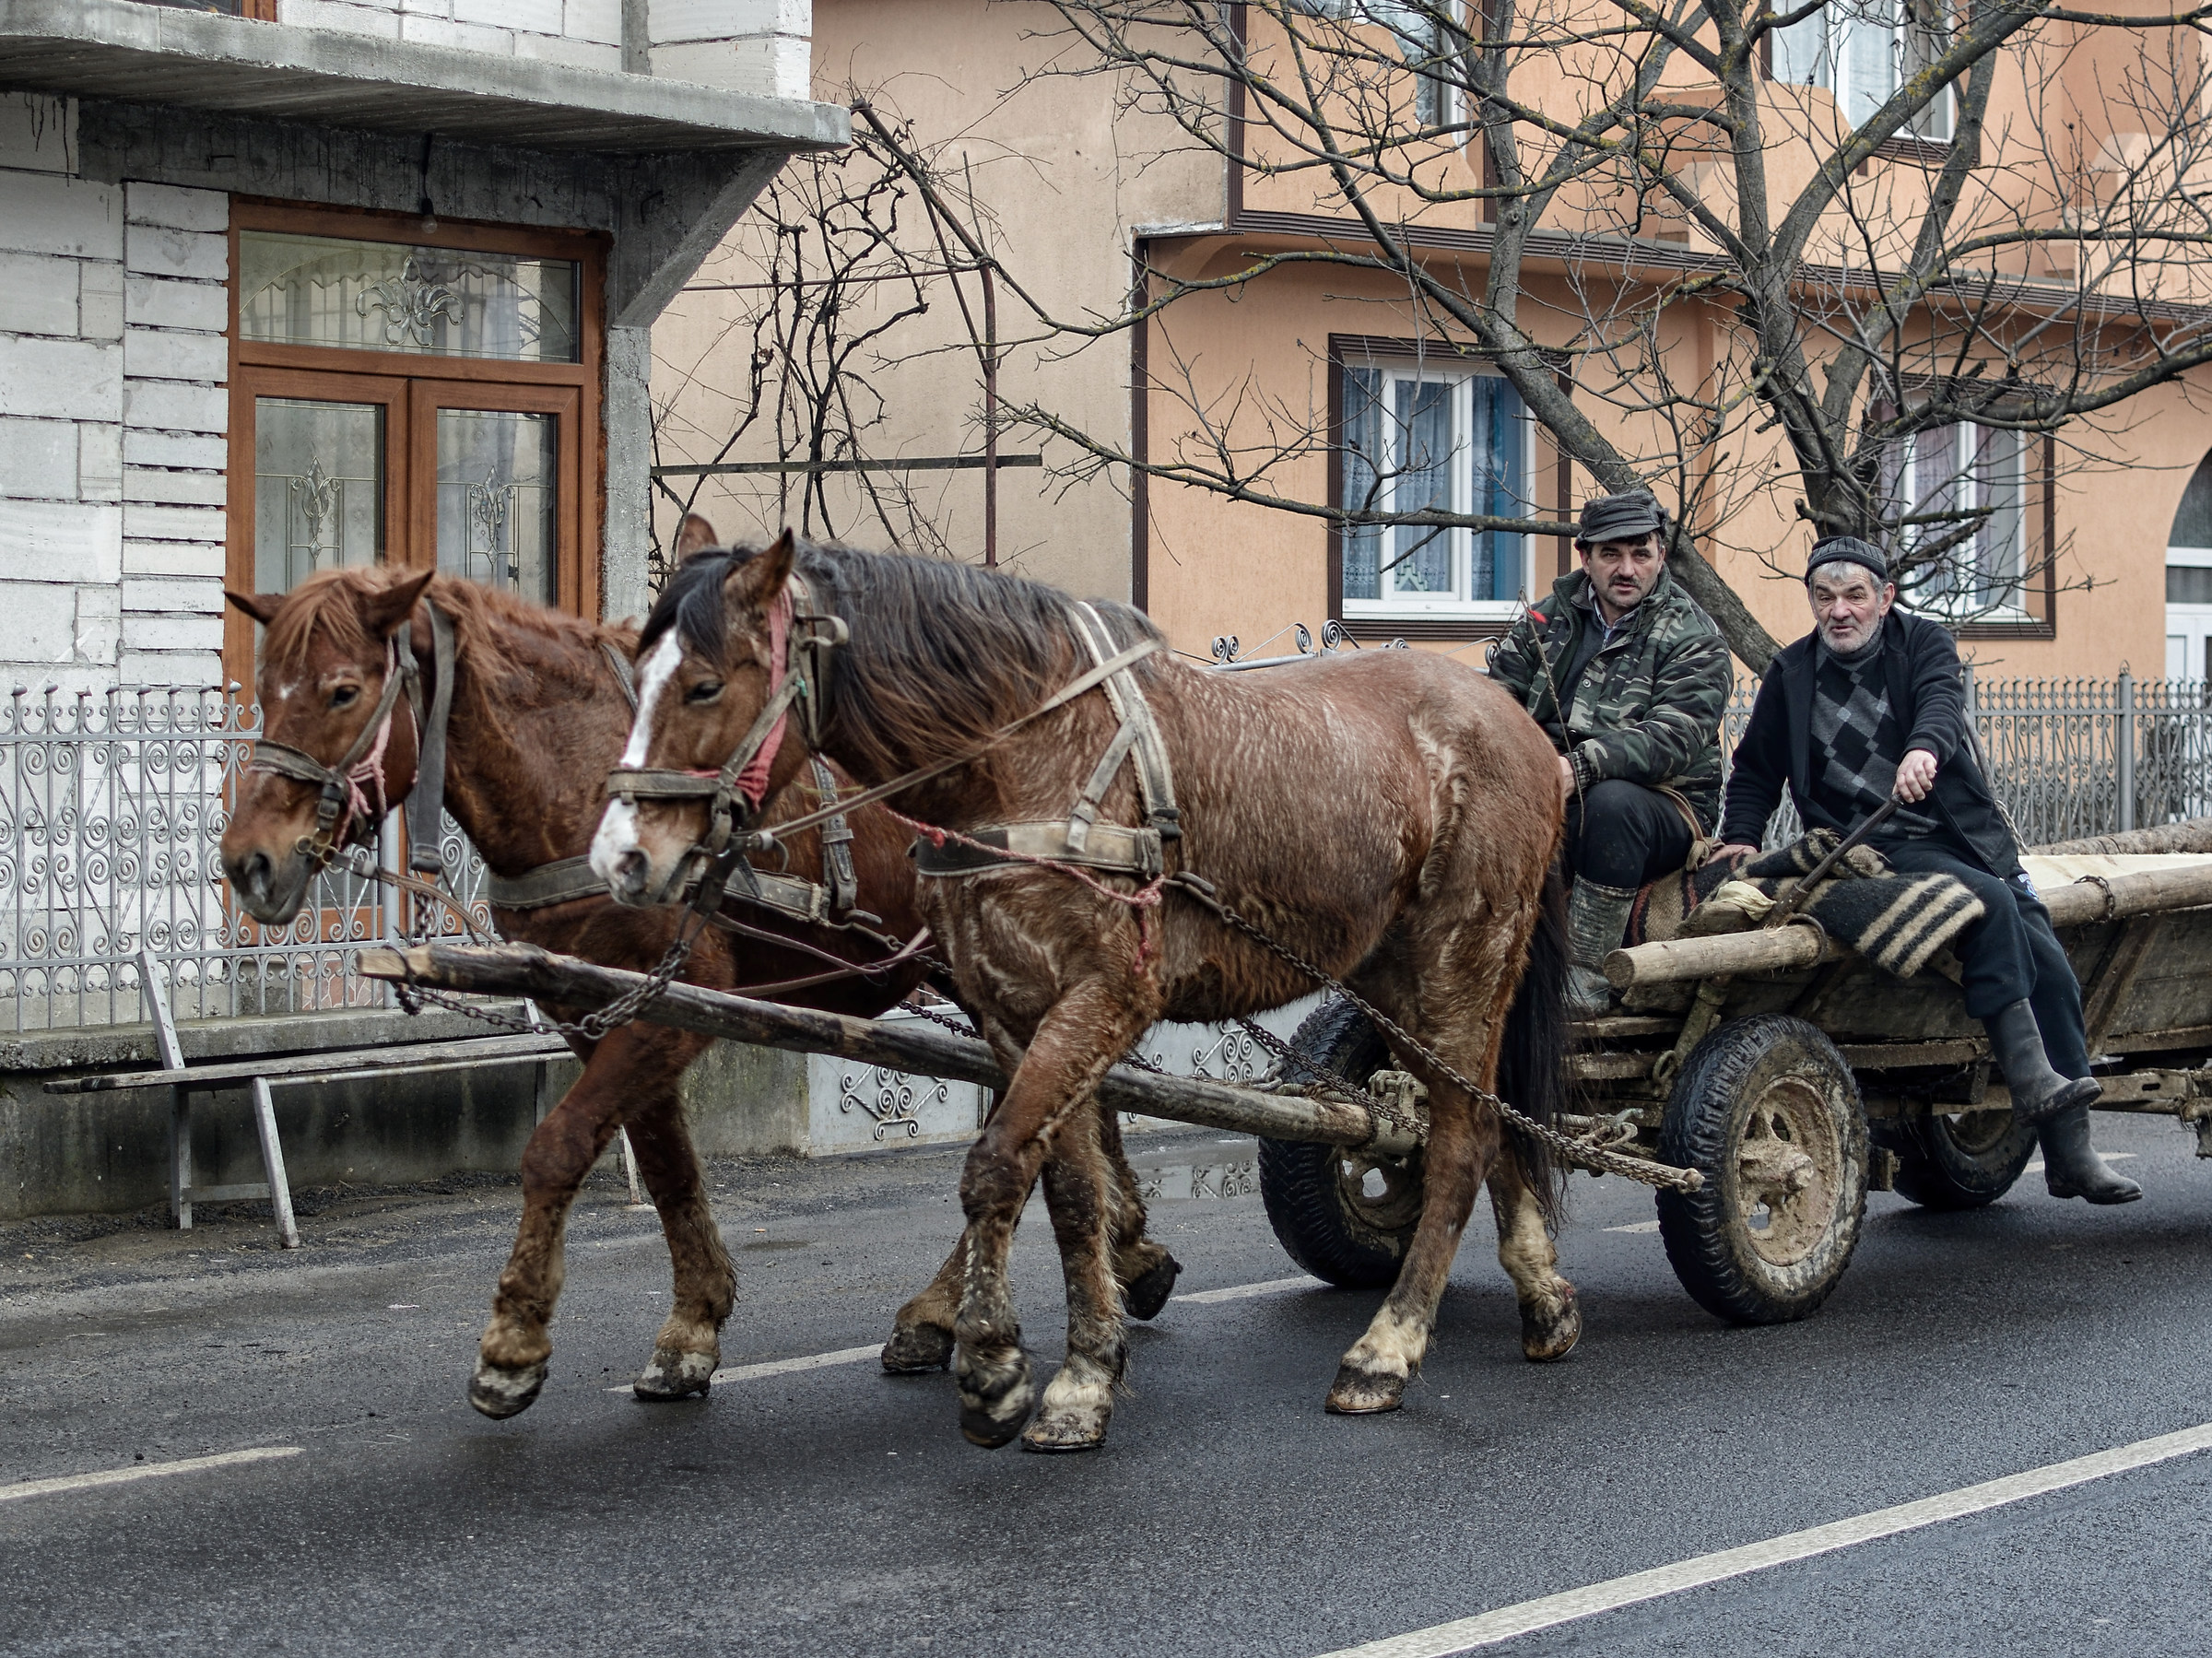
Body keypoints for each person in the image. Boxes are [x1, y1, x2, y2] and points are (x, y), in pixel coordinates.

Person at [1713, 535, 2137, 1203]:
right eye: (1825, 597)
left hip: (1959, 835)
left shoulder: (1923, 644)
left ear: (1885, 597)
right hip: (1867, 847)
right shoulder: (1790, 673)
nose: (1840, 611)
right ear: (1812, 602)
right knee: (1989, 904)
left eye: (1855, 595)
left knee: (2049, 963)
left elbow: (1941, 702)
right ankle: (2032, 1085)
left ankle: (2070, 1151)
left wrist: (1923, 751)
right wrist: (1739, 838)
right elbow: (1756, 770)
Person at [1490, 489, 1731, 1015]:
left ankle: (1586, 979)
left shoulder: (1694, 635)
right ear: (1585, 556)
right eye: (1611, 554)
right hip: (1547, 788)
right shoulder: (1543, 622)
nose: (1627, 569)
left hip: (1663, 804)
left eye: (1641, 554)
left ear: (1660, 556)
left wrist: (1577, 767)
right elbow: (1495, 705)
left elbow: (1674, 736)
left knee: (1611, 805)